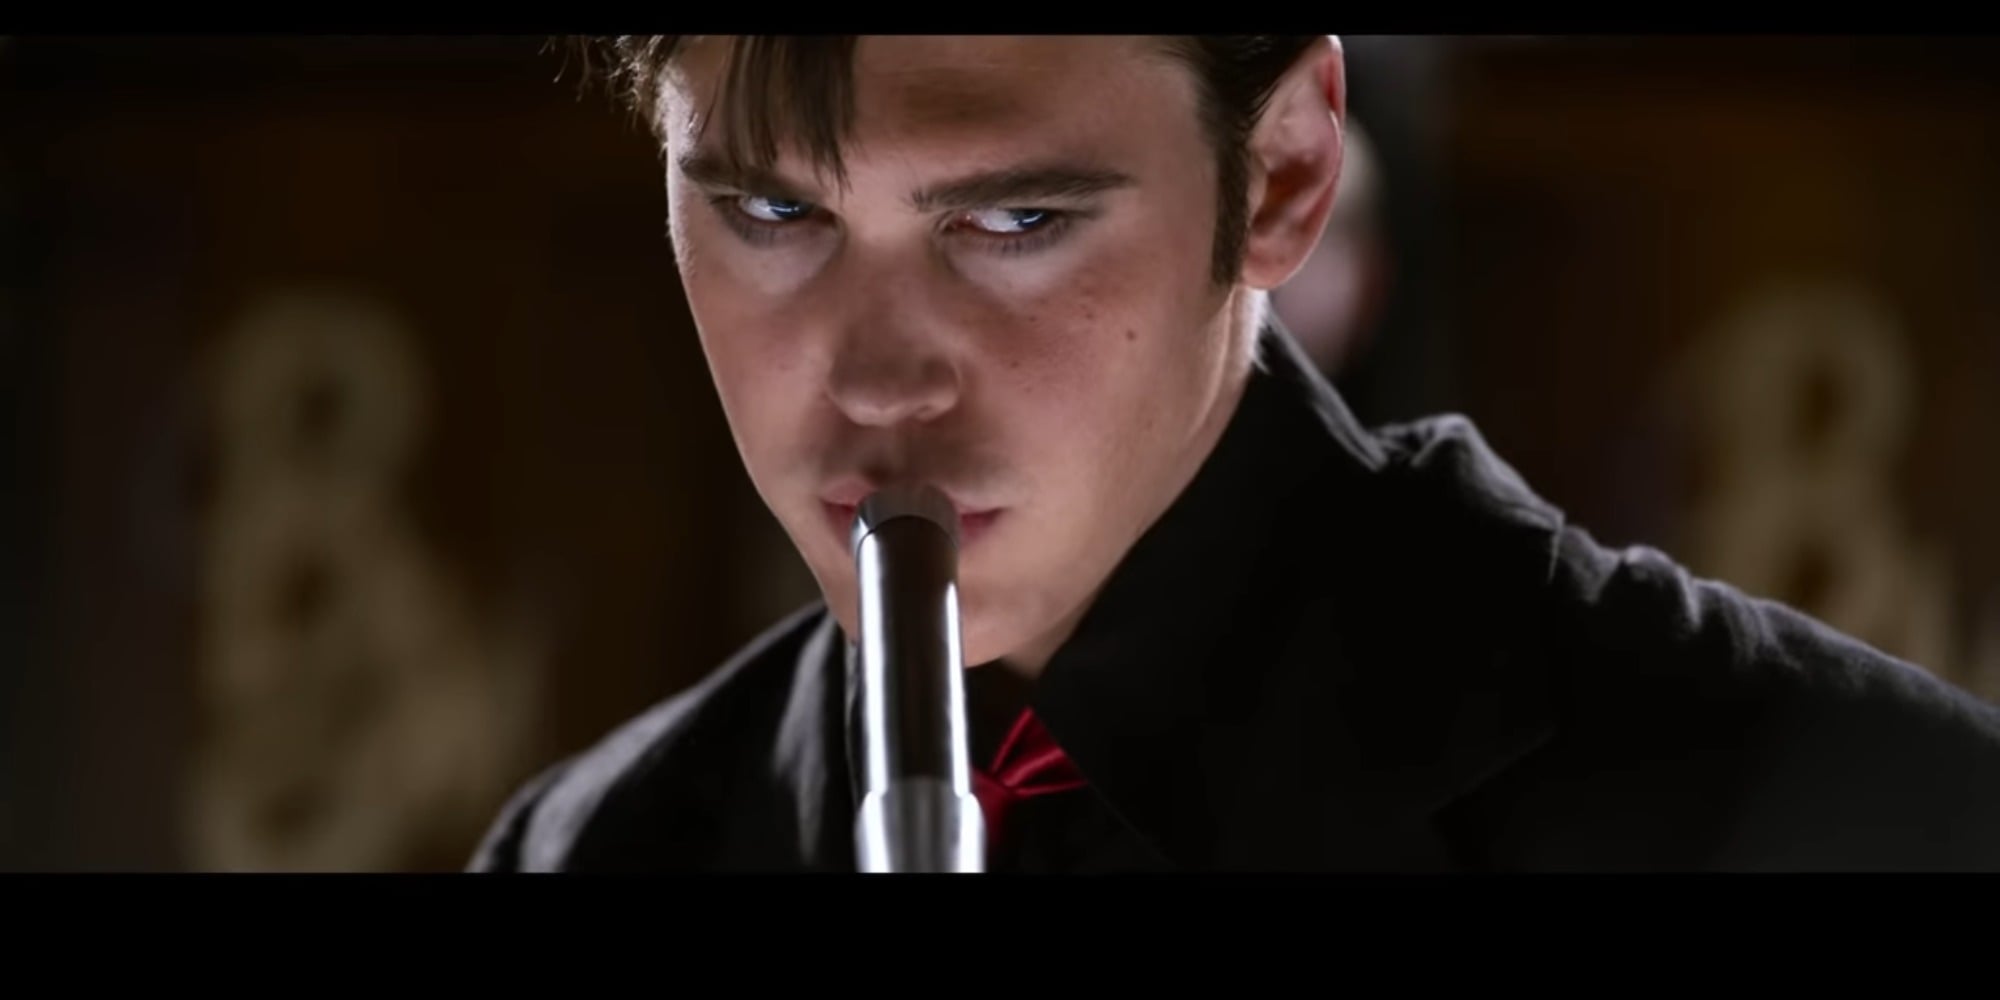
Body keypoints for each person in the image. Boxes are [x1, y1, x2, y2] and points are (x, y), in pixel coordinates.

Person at [468, 35, 2000, 872]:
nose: (876, 382)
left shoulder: (1844, 811)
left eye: (1015, 220)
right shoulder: (593, 851)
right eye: (771, 213)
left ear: (1281, 176)